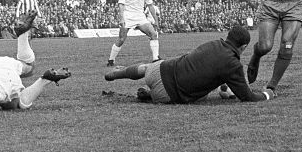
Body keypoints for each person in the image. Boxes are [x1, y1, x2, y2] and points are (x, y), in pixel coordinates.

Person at [103, 25, 275, 103]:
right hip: (168, 95)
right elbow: (247, 96)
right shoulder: (233, 65)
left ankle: (119, 73)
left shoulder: (213, 43)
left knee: (148, 67)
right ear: (243, 47)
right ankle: (150, 96)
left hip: (159, 70)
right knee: (201, 94)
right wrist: (267, 94)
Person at [107, 0, 160, 66]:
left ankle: (155, 59)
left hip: (140, 16)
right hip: (128, 16)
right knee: (121, 39)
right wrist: (122, 18)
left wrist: (155, 20)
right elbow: (121, 4)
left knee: (153, 34)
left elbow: (150, 5)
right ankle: (111, 60)